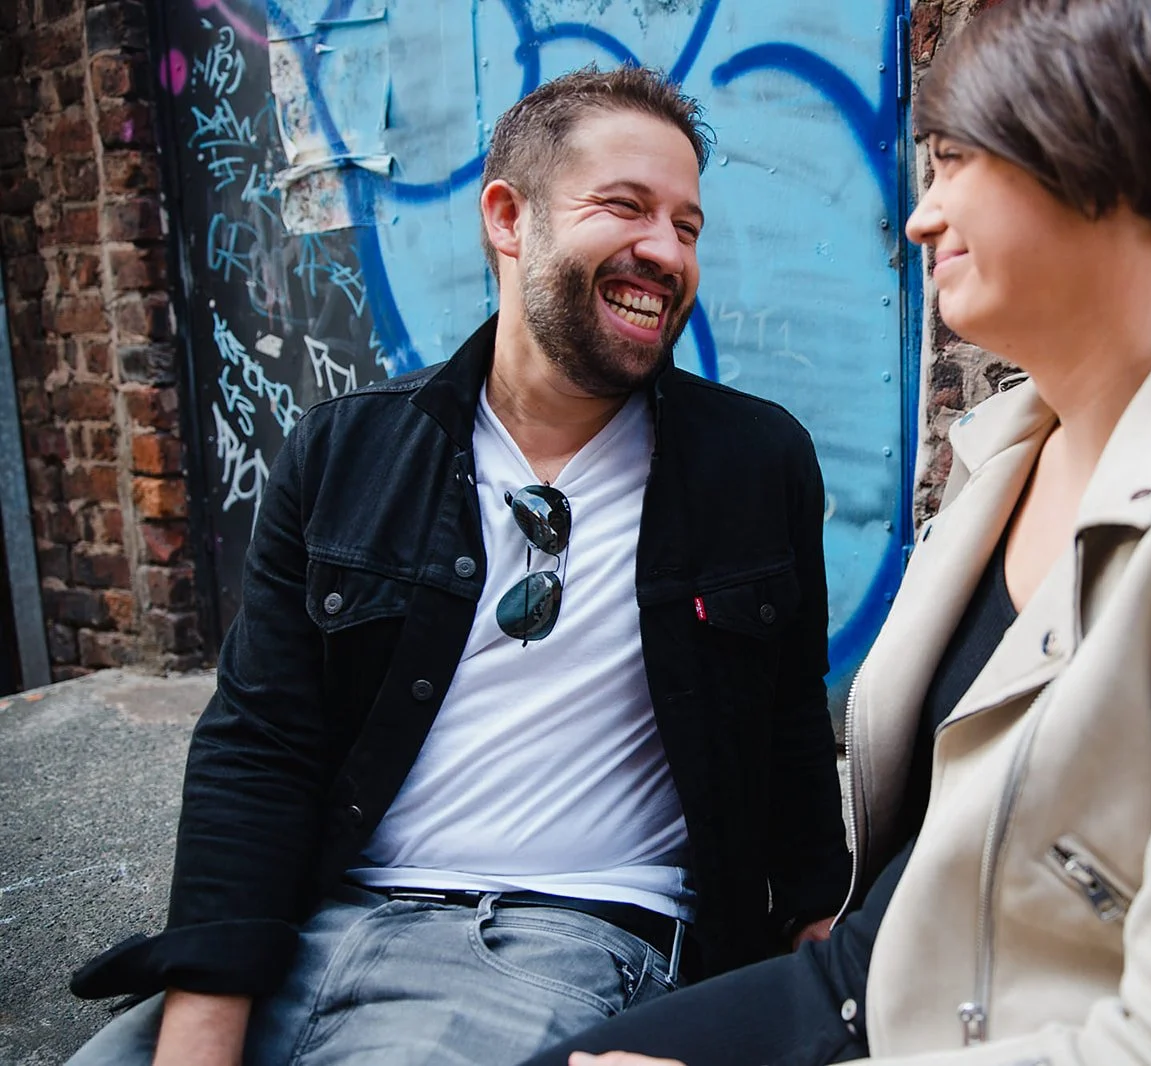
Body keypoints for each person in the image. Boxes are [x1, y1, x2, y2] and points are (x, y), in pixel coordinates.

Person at [521, 2, 1151, 1065]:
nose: (919, 218)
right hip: (871, 978)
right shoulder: (1009, 448)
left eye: (951, 165)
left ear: (1098, 161)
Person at [66, 66, 850, 1066]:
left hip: (556, 942)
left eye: (687, 226)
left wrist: (828, 968)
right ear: (506, 218)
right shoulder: (345, 452)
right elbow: (259, 744)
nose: (665, 251)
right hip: (319, 930)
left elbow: (787, 732)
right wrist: (204, 1023)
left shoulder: (750, 462)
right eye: (625, 207)